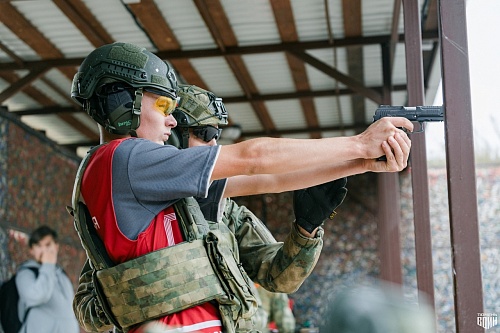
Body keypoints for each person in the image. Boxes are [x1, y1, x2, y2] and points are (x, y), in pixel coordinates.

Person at [69, 42, 412, 333]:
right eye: (162, 106)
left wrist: (365, 162)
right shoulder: (125, 158)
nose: (170, 120)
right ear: (120, 102)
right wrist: (359, 145)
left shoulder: (130, 172)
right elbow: (254, 158)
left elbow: (267, 179)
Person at [15, 225, 79, 333]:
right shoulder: (25, 273)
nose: (44, 250)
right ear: (32, 250)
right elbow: (38, 296)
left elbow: (69, 313)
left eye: (48, 245)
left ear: (56, 247)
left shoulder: (61, 274)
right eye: (39, 246)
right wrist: (48, 265)